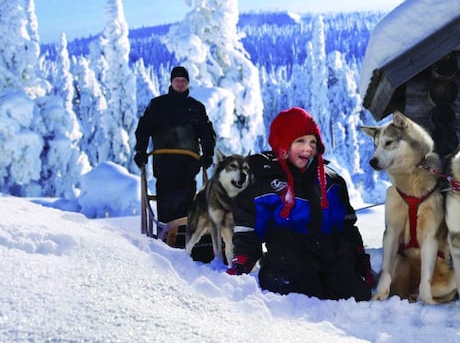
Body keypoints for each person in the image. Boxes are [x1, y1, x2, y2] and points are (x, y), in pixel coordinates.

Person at [226, 107, 373, 302]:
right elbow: (248, 229)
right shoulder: (264, 182)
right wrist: (242, 262)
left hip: (329, 251)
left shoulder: (331, 182)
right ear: (283, 144)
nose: (308, 148)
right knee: (297, 290)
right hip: (288, 255)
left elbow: (347, 227)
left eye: (313, 142)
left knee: (356, 294)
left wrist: (361, 260)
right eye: (300, 141)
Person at [134, 66, 216, 224]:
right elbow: (143, 129)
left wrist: (208, 154)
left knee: (187, 199)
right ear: (171, 82)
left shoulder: (196, 107)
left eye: (183, 81)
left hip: (188, 162)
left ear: (188, 83)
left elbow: (206, 133)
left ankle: (186, 237)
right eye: (177, 80)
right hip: (164, 161)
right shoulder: (158, 105)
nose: (180, 84)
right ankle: (166, 237)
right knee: (166, 199)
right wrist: (140, 151)